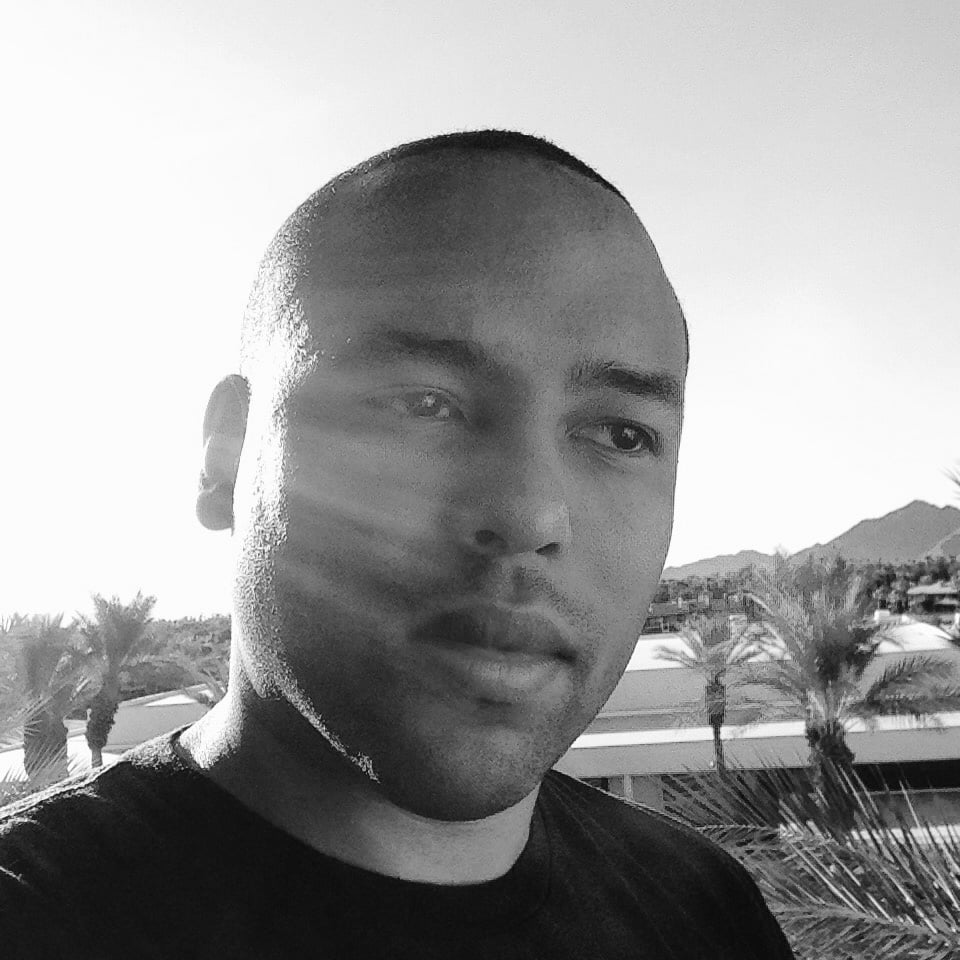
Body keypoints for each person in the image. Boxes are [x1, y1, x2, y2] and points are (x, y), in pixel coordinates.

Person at [0, 130, 794, 958]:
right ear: (227, 456)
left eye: (622, 434)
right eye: (422, 404)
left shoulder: (708, 912)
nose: (530, 514)